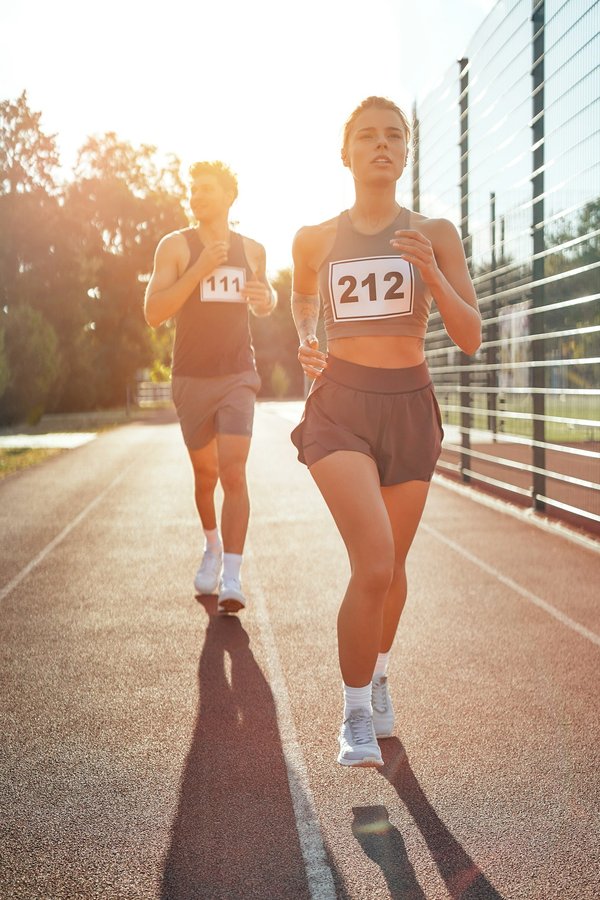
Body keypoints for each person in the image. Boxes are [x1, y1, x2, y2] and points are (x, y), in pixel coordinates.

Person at [290, 97, 481, 767]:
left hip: (409, 406)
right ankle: (353, 717)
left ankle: (377, 674)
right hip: (340, 405)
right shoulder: (314, 239)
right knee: (372, 561)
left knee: (393, 572)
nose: (380, 144)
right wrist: (308, 338)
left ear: (406, 153)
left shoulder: (438, 232)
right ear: (345, 153)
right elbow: (299, 297)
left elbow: (471, 336)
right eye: (366, 136)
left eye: (393, 136)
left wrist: (429, 270)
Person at [145, 161, 276, 614]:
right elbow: (154, 311)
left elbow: (264, 301)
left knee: (233, 471)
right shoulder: (176, 246)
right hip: (190, 378)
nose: (196, 195)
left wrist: (267, 299)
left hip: (239, 373)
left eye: (206, 189)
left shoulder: (253, 249)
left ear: (229, 196)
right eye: (193, 189)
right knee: (206, 477)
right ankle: (213, 547)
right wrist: (199, 268)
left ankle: (234, 578)